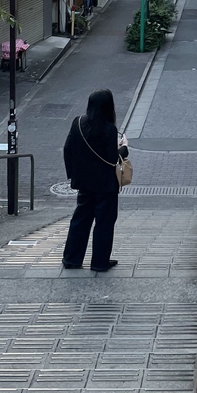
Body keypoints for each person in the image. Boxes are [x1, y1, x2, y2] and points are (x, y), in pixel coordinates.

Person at [61, 89, 127, 271]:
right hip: (106, 185)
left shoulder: (78, 123)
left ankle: (72, 259)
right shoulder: (109, 129)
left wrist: (74, 175)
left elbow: (67, 149)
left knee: (80, 220)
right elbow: (113, 158)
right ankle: (99, 262)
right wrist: (124, 148)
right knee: (104, 223)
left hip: (84, 182)